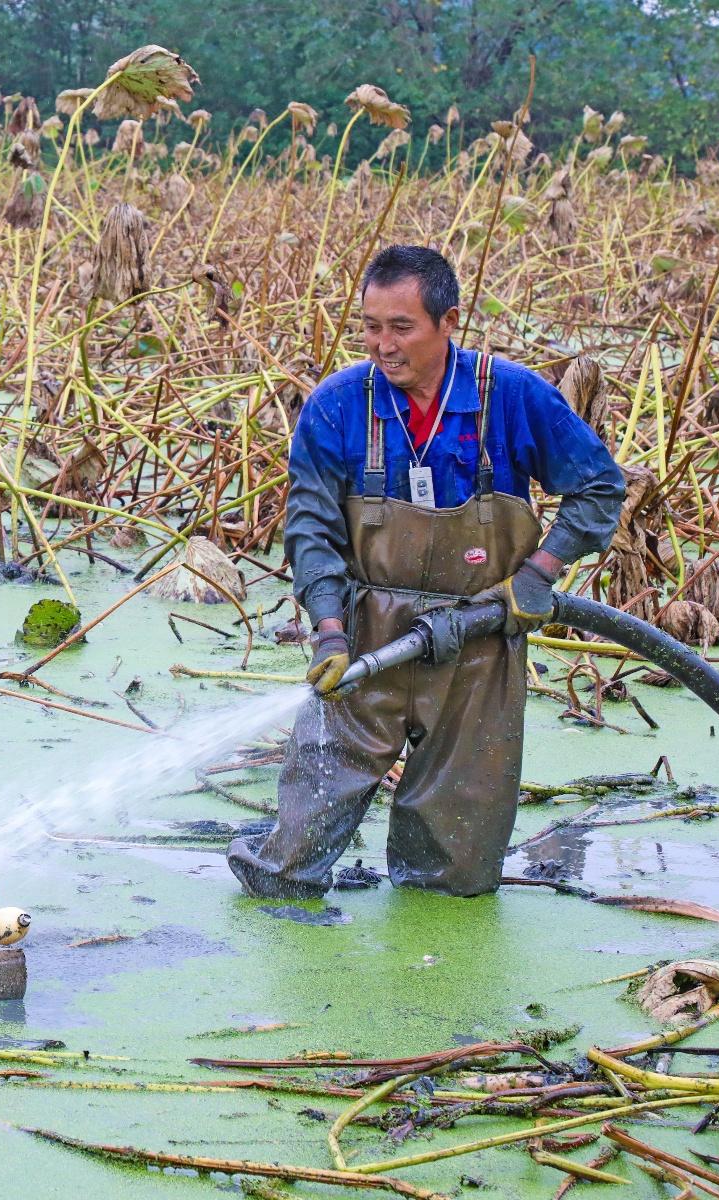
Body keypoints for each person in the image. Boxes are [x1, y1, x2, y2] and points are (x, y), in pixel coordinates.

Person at [228, 245, 625, 899]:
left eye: (401, 327)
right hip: (367, 639)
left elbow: (599, 488)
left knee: (452, 874)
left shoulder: (511, 396)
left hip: (480, 646)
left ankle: (435, 925)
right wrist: (328, 630)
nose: (383, 346)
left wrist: (537, 575)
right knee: (289, 860)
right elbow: (310, 528)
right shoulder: (337, 406)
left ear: (449, 322)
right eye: (371, 327)